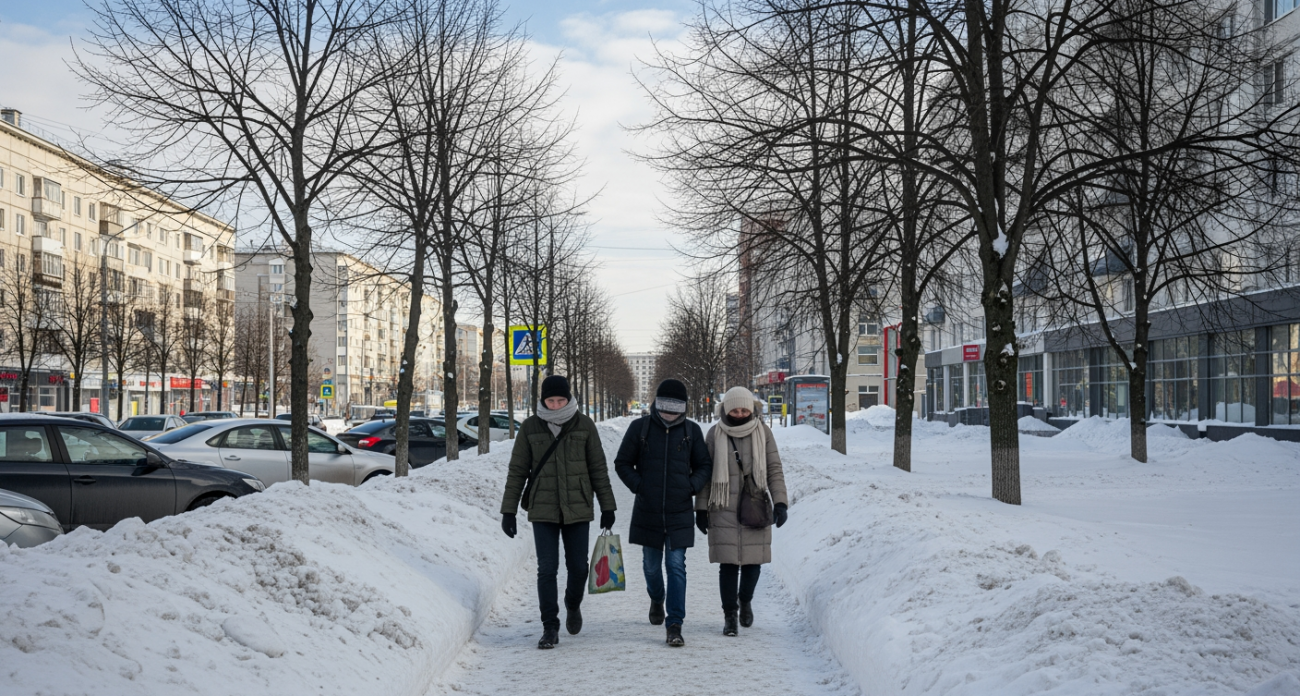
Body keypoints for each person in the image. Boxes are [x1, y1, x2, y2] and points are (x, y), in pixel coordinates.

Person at [500, 375, 617, 649]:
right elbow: (517, 471)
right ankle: (550, 627)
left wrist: (607, 506)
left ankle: (572, 603)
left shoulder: (585, 425)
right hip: (543, 508)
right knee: (547, 569)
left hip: (577, 506)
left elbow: (598, 468)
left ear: (568, 399)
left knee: (578, 567)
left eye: (560, 400)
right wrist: (508, 511)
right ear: (542, 400)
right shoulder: (530, 427)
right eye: (550, 400)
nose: (555, 405)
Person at [614, 378, 712, 647]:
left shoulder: (691, 432)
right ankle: (656, 598)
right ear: (657, 403)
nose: (670, 412)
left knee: (676, 566)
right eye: (665, 405)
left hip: (680, 511)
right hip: (649, 510)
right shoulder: (640, 428)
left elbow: (704, 465)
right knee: (651, 566)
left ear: (684, 407)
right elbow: (622, 463)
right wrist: (640, 486)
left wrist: (690, 487)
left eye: (676, 406)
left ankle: (675, 624)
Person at [696, 386, 789, 637]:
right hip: (721, 505)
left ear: (752, 409)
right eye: (734, 410)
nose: (739, 414)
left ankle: (745, 600)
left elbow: (774, 469)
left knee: (752, 564)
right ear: (725, 409)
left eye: (744, 409)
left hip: (755, 505)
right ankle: (730, 616)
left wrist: (780, 502)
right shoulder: (714, 434)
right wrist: (701, 508)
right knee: (727, 565)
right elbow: (705, 476)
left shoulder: (764, 433)